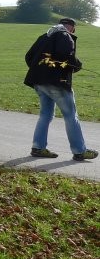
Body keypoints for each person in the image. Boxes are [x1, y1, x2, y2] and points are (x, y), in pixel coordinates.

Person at [24, 17, 97, 161]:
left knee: (45, 115)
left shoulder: (45, 36)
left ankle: (38, 147)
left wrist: (41, 71)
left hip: (39, 82)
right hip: (57, 83)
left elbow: (29, 57)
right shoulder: (65, 36)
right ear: (71, 28)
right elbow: (65, 56)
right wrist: (77, 65)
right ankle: (79, 151)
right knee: (71, 116)